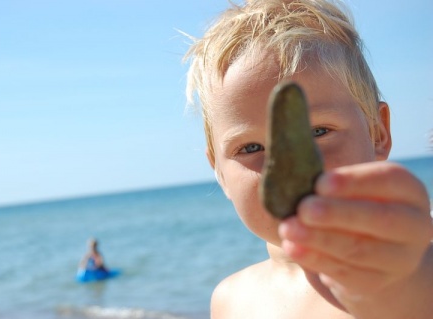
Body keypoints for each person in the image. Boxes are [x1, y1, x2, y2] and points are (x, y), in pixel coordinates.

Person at [183, 0, 433, 318]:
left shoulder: (412, 270)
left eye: (316, 131)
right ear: (218, 171)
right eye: (249, 149)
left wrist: (402, 284)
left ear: (377, 134)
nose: (285, 168)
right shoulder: (230, 300)